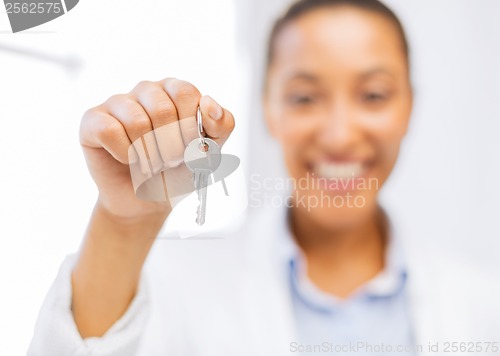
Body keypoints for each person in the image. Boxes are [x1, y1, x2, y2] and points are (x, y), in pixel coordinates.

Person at [28, 0, 500, 355]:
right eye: (304, 98)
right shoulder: (171, 284)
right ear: (267, 110)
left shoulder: (480, 306)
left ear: (409, 107)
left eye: (374, 95)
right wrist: (124, 224)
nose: (339, 134)